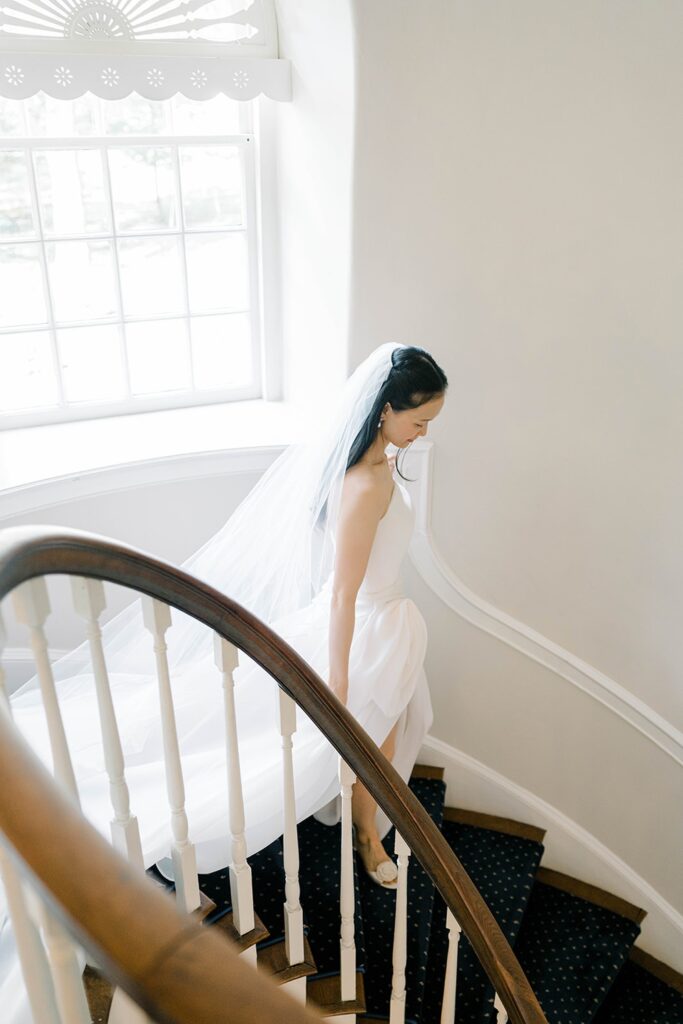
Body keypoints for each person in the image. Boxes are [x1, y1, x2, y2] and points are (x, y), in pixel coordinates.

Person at [1, 342, 447, 1021]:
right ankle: (333, 835)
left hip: (388, 624)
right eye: (418, 422)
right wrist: (332, 678)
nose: (424, 435)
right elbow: (340, 595)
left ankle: (368, 834)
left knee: (383, 733)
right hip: (358, 632)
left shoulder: (386, 465)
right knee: (301, 744)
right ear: (385, 411)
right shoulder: (361, 487)